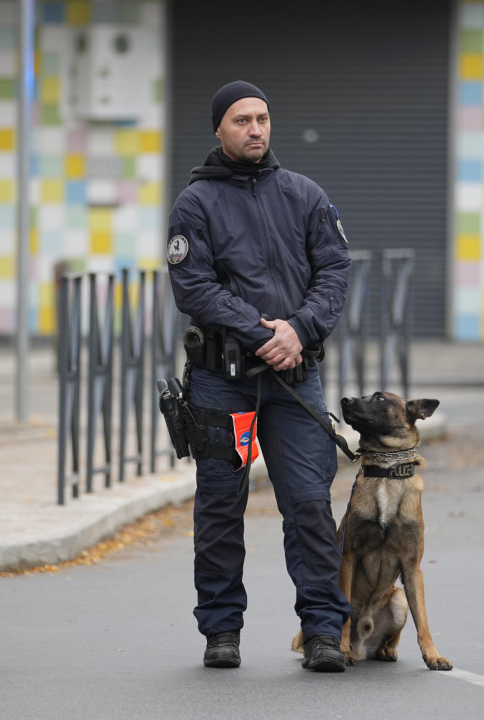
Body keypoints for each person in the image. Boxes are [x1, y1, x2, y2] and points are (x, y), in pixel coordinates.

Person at [166, 80, 352, 672]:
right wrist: (263, 332)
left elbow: (335, 271)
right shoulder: (194, 205)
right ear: (219, 129)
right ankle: (221, 631)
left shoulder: (305, 194)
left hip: (295, 378)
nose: (255, 129)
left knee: (308, 504)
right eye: (242, 120)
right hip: (223, 380)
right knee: (221, 505)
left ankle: (323, 630)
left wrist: (298, 329)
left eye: (263, 119)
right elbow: (193, 287)